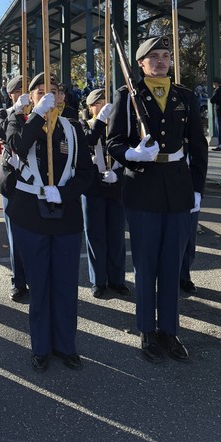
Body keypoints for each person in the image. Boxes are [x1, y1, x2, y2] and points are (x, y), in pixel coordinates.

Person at [107, 36, 208, 364]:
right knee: (146, 264)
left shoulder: (184, 96)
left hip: (177, 188)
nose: (162, 61)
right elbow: (114, 142)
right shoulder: (127, 96)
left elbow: (198, 145)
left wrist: (197, 189)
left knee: (171, 264)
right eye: (155, 56)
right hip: (143, 190)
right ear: (140, 63)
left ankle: (169, 330)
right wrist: (134, 155)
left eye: (166, 55)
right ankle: (146, 330)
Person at [5, 73, 93, 373]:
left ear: (63, 98)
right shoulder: (18, 121)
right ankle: (40, 347)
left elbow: (85, 174)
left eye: (52, 92)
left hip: (65, 214)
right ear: (29, 97)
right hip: (30, 215)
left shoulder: (74, 128)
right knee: (39, 286)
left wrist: (65, 192)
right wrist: (37, 114)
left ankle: (66, 346)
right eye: (39, 92)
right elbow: (18, 145)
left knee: (66, 286)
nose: (47, 96)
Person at [80, 88, 129, 299]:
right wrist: (100, 120)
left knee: (116, 235)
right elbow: (89, 141)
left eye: (106, 102)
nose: (104, 106)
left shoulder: (118, 126)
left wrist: (119, 175)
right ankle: (98, 280)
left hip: (116, 184)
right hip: (93, 186)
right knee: (95, 235)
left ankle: (117, 279)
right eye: (98, 103)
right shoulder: (83, 125)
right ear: (91, 107)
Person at [0, 75, 29, 302]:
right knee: (15, 235)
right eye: (19, 91)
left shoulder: (38, 113)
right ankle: (18, 281)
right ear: (10, 94)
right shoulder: (3, 113)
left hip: (34, 181)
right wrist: (15, 110)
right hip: (13, 180)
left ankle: (35, 277)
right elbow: (0, 132)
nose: (23, 95)